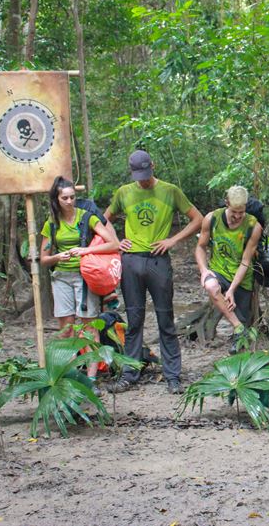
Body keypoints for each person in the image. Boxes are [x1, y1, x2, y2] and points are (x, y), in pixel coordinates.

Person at [104, 150, 203, 394]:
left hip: (158, 261)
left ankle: (172, 376)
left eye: (146, 174)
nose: (144, 180)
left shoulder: (170, 191)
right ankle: (130, 374)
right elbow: (103, 219)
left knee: (165, 319)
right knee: (134, 320)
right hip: (131, 261)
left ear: (153, 167)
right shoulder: (124, 192)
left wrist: (173, 240)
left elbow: (197, 219)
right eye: (139, 175)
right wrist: (116, 242)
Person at [39, 176, 120, 391]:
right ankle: (69, 376)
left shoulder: (86, 217)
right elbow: (44, 259)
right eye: (64, 198)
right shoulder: (52, 223)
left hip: (85, 277)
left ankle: (92, 380)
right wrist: (59, 257)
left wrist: (86, 250)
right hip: (61, 278)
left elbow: (113, 243)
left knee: (89, 327)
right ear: (56, 199)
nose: (69, 201)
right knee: (66, 330)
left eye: (72, 197)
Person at [195, 185, 263, 354]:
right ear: (226, 203)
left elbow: (246, 261)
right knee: (211, 286)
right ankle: (238, 326)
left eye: (241, 212)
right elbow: (200, 247)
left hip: (241, 277)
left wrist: (232, 290)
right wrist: (204, 270)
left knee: (241, 340)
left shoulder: (254, 227)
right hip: (218, 271)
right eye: (234, 212)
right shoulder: (212, 219)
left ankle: (239, 341)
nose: (238, 216)